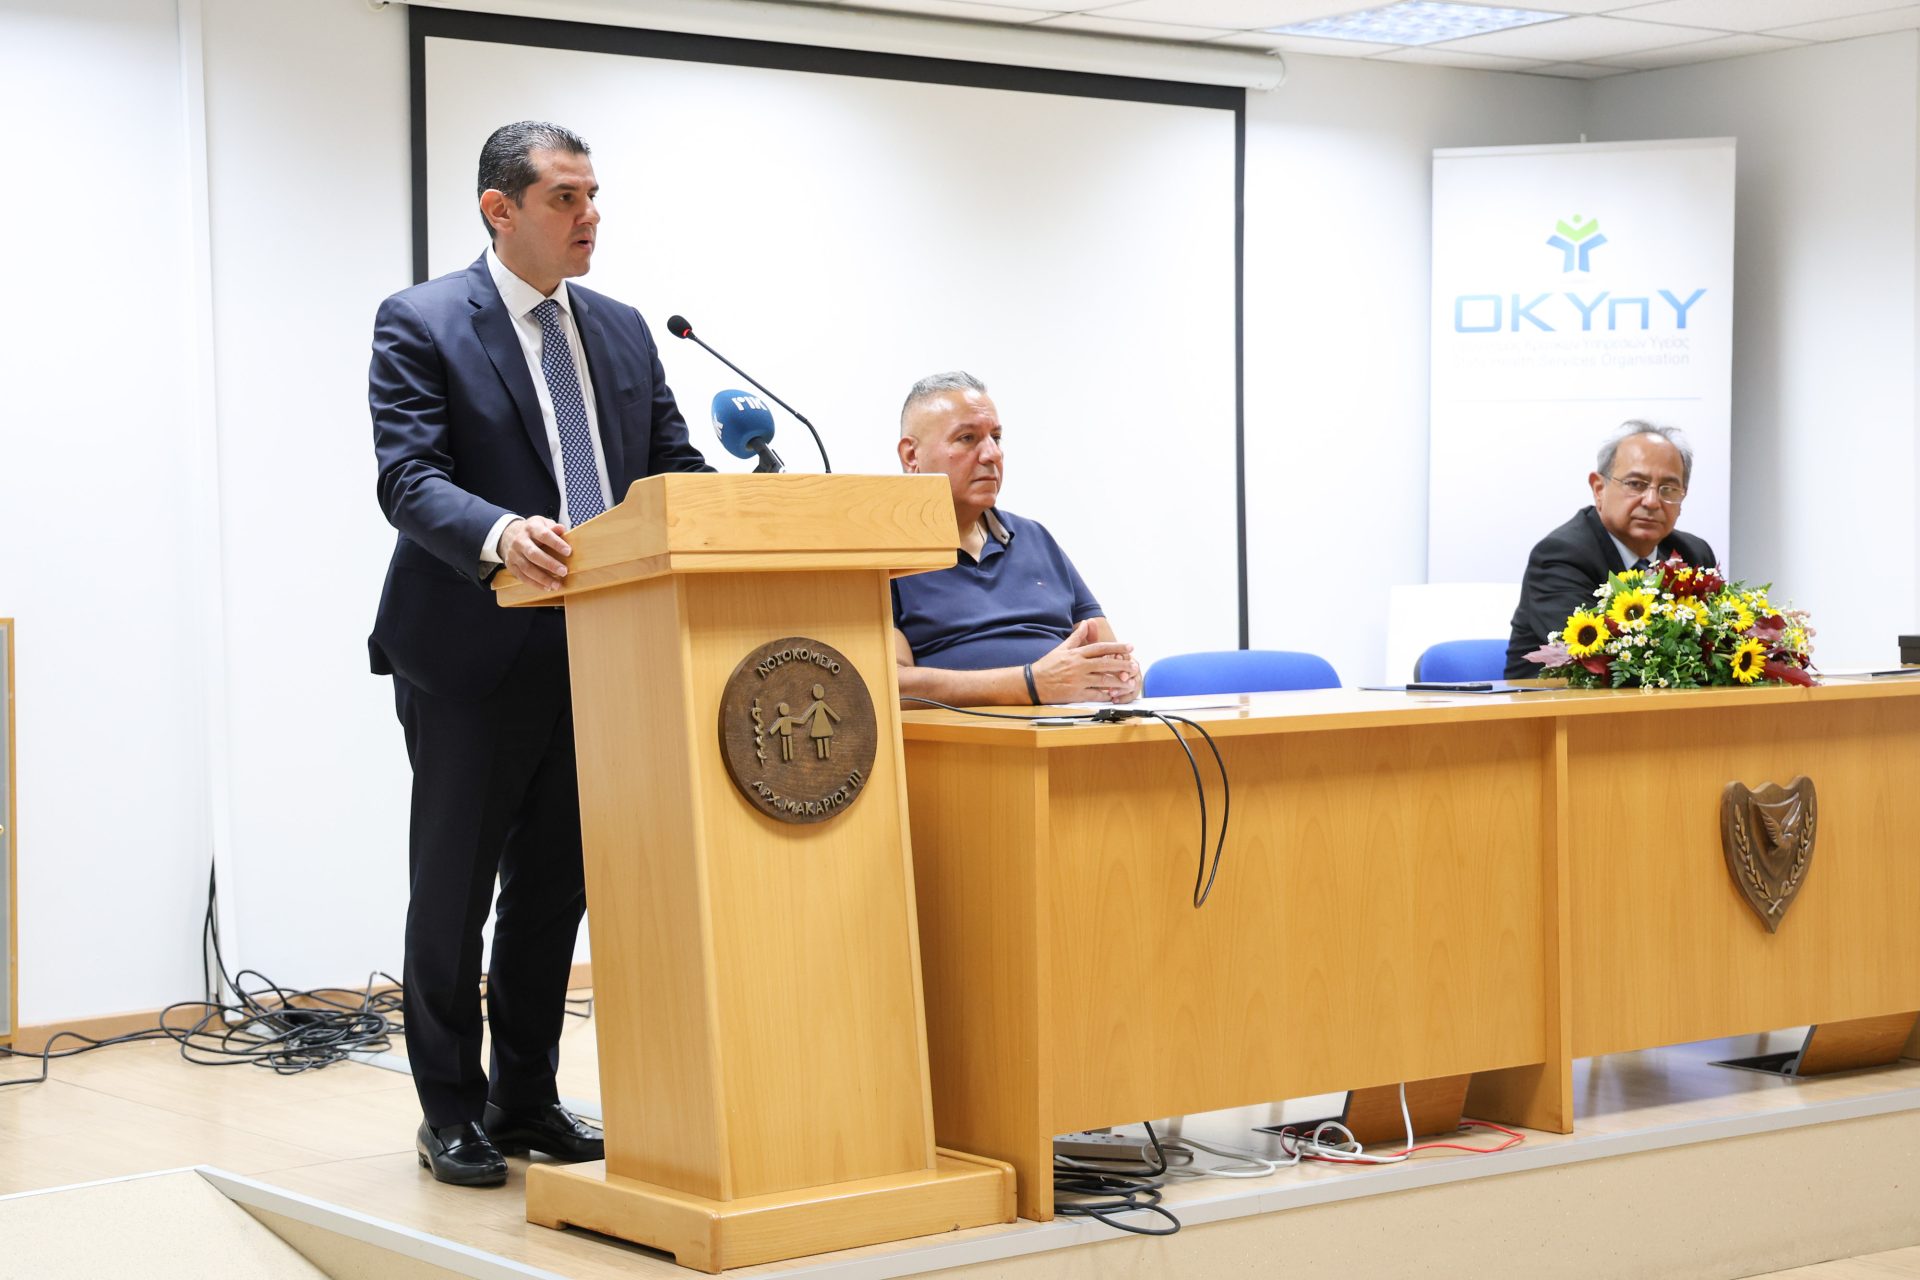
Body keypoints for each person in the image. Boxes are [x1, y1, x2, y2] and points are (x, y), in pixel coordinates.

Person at [367, 121, 712, 1186]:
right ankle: (449, 1110)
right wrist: (500, 531)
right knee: (454, 892)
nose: (590, 215)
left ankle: (524, 1099)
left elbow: (670, 467)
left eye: (594, 195)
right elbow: (408, 477)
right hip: (472, 650)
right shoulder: (424, 320)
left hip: (604, 653)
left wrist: (746, 506)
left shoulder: (621, 330)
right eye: (567, 197)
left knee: (554, 890)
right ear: (500, 209)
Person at [890, 372, 1138, 706]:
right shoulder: (884, 554)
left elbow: (1109, 658)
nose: (992, 454)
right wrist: (1029, 684)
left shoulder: (1036, 538)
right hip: (970, 733)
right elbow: (890, 686)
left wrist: (1123, 677)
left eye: (996, 437)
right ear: (911, 456)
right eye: (967, 438)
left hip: (1067, 726)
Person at [1505, 422, 1717, 678]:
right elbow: (1597, 658)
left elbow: (1719, 646)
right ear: (1599, 489)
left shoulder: (1692, 554)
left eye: (1668, 489)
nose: (1652, 501)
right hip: (1555, 700)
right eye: (1636, 484)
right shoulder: (1561, 556)